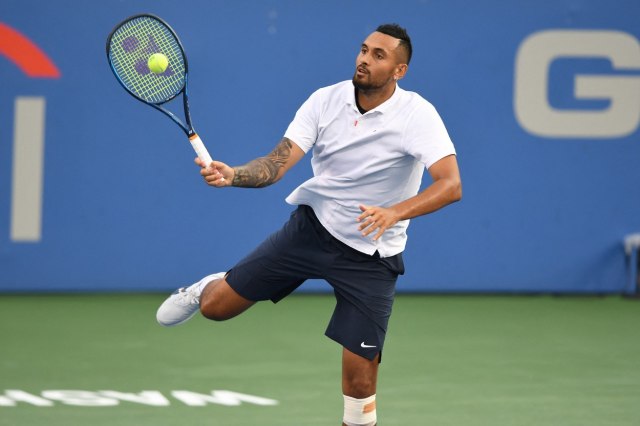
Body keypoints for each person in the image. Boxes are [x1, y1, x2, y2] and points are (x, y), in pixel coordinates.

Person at [156, 23, 461, 426]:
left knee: (360, 384)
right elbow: (276, 164)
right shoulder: (325, 101)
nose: (364, 59)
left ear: (399, 71)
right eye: (364, 50)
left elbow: (450, 185)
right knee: (215, 308)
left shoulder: (417, 115)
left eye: (379, 55)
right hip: (312, 231)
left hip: (371, 255)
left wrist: (394, 212)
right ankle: (205, 287)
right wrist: (234, 175)